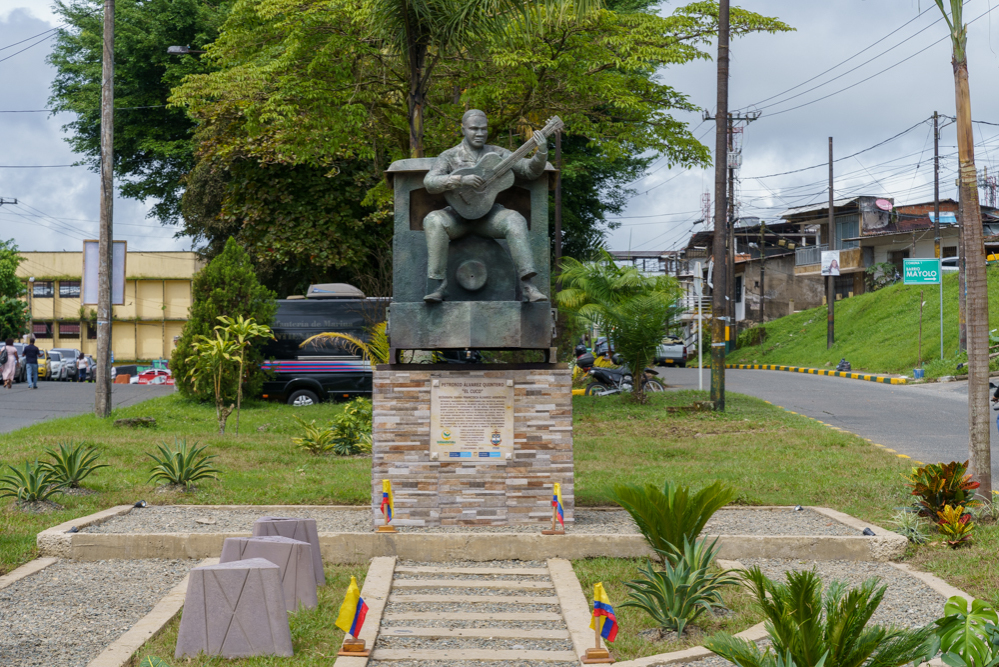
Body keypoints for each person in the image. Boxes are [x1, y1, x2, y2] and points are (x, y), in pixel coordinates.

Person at [421, 109, 548, 303]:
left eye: (483, 129)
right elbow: (430, 182)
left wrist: (542, 152)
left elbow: (529, 171)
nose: (479, 133)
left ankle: (528, 287)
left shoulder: (497, 153)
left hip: (489, 216)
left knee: (515, 220)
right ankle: (439, 286)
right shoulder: (449, 155)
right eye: (474, 129)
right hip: (457, 216)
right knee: (433, 220)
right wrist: (459, 180)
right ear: (463, 129)